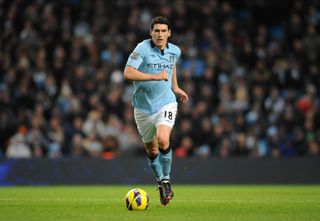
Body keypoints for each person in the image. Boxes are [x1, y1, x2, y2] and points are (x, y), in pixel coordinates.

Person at [124, 16, 188, 206]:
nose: (160, 34)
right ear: (151, 32)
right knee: (151, 149)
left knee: (163, 139)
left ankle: (166, 180)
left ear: (169, 33)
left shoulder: (175, 50)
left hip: (166, 103)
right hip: (143, 108)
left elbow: (171, 67)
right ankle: (160, 181)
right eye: (156, 31)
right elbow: (127, 73)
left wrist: (175, 88)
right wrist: (154, 76)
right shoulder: (141, 48)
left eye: (163, 31)